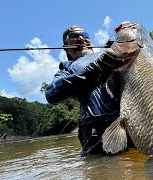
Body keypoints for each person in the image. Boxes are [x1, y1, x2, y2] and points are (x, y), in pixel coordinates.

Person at [45, 24, 138, 155]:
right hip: (94, 133)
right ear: (66, 48)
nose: (82, 39)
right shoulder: (67, 69)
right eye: (75, 37)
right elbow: (51, 94)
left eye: (85, 36)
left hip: (130, 121)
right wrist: (96, 67)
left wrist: (126, 33)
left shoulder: (112, 53)